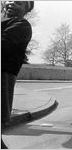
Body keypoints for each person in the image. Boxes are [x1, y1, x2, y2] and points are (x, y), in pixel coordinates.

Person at [1, 1, 34, 149]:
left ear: (26, 10)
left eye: (19, 3)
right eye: (10, 0)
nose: (12, 3)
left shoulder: (22, 25)